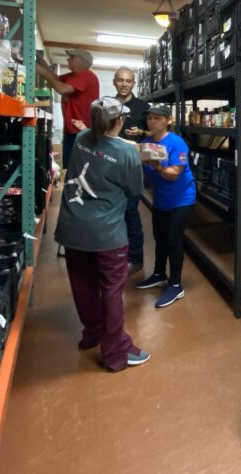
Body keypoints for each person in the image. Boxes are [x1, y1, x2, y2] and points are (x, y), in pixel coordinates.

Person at [53, 97, 149, 372]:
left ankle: (92, 334)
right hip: (107, 233)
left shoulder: (82, 137)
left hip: (72, 228)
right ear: (120, 121)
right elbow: (134, 189)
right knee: (111, 290)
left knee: (82, 283)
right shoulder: (126, 152)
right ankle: (116, 352)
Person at [134, 104, 196, 309]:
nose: (152, 122)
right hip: (161, 199)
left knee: (173, 239)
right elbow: (143, 171)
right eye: (150, 118)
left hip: (181, 199)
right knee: (159, 237)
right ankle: (159, 274)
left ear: (168, 120)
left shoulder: (177, 144)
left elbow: (174, 174)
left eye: (157, 118)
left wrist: (158, 166)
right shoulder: (147, 142)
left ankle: (176, 284)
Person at [36, 49, 101, 170]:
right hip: (72, 131)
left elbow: (63, 89)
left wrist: (39, 70)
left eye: (71, 57)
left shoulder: (87, 75)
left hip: (82, 131)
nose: (67, 60)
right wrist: (41, 61)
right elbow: (54, 77)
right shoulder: (73, 76)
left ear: (82, 61)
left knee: (78, 169)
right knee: (69, 168)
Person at [112, 67, 150, 271]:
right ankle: (115, 252)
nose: (124, 84)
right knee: (112, 212)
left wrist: (143, 131)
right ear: (114, 82)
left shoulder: (143, 107)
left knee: (130, 212)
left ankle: (135, 256)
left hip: (133, 168)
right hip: (110, 166)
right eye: (120, 80)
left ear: (134, 83)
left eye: (128, 81)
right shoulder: (108, 104)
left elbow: (156, 134)